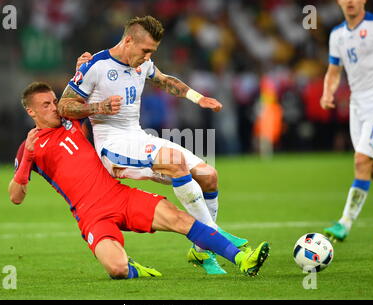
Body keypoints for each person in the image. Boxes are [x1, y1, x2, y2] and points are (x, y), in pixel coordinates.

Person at [8, 82, 270, 279]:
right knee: (117, 268)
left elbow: (83, 92)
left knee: (180, 219)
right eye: (46, 105)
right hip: (90, 215)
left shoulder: (70, 121)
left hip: (119, 195)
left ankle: (242, 258)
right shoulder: (28, 147)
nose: (54, 107)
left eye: (54, 101)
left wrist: (82, 67)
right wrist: (28, 158)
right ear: (31, 111)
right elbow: (15, 197)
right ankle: (134, 270)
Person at [58, 16, 247, 275]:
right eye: (145, 50)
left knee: (208, 175)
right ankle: (219, 239)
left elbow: (165, 80)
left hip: (138, 137)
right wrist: (97, 107)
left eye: (152, 52)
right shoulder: (96, 65)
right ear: (127, 40)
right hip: (113, 146)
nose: (148, 57)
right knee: (175, 163)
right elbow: (63, 106)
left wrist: (198, 97)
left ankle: (202, 252)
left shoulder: (142, 63)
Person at [320, 0, 373, 242]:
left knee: (361, 160)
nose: (350, 1)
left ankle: (344, 223)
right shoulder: (337, 35)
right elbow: (334, 71)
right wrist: (328, 92)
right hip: (357, 107)